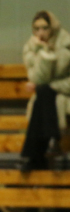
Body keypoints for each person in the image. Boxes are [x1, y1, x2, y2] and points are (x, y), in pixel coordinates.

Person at [20, 10, 70, 172]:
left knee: (44, 93)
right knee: (43, 94)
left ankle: (33, 157)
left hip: (65, 93)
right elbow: (38, 78)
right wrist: (44, 51)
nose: (40, 33)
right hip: (47, 98)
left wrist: (50, 86)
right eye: (36, 29)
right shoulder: (32, 48)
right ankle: (51, 139)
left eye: (44, 28)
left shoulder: (66, 45)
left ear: (52, 28)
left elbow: (44, 82)